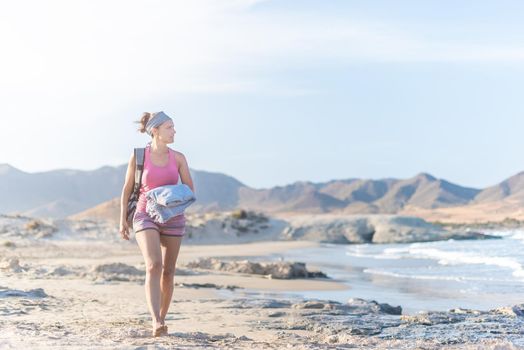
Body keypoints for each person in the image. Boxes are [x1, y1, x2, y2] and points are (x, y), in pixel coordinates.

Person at [119, 111, 195, 337]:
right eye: (169, 127)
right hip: (145, 214)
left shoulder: (179, 158)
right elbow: (127, 188)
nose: (174, 131)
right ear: (155, 131)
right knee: (154, 265)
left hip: (173, 216)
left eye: (173, 127)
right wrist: (122, 218)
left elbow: (190, 190)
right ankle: (155, 321)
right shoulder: (139, 156)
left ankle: (162, 316)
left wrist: (168, 196)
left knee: (169, 272)